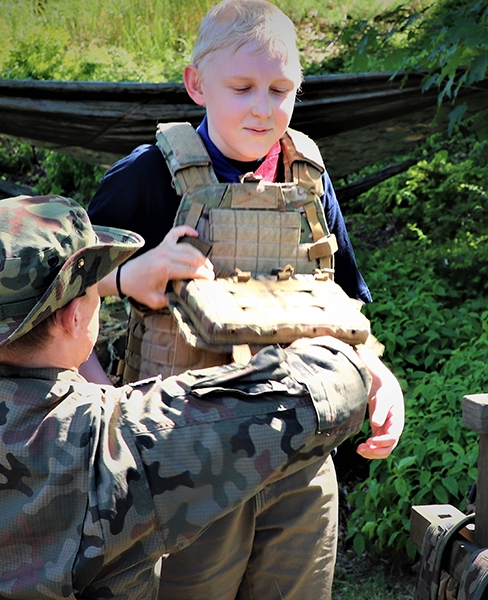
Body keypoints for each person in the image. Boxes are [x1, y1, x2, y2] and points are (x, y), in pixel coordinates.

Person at [0, 194, 388, 600]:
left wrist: (121, 280)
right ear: (76, 316)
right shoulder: (117, 448)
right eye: (97, 290)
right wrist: (356, 352)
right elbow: (328, 389)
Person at [86, 1, 404, 598]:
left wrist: (378, 375)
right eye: (243, 87)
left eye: (281, 89)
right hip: (184, 456)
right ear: (197, 84)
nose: (263, 106)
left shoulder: (307, 177)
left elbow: (339, 301)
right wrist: (130, 277)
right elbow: (61, 290)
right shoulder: (147, 176)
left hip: (301, 451)